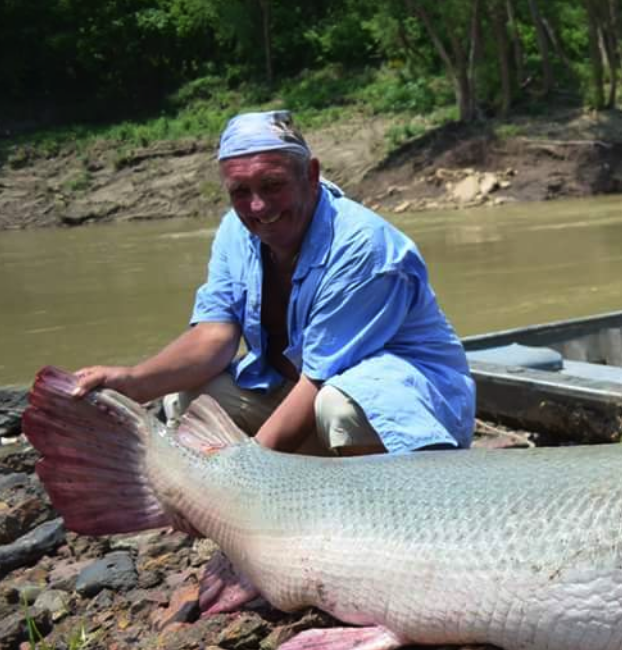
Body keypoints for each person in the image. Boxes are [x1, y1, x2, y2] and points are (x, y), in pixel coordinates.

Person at [72, 110, 475, 455]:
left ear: (311, 175)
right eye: (241, 192)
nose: (258, 207)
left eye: (273, 185)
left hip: (406, 417)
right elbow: (214, 335)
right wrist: (131, 382)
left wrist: (247, 471)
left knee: (342, 405)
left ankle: (375, 514)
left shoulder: (364, 246)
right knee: (192, 395)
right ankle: (265, 501)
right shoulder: (236, 229)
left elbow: (320, 379)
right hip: (300, 399)